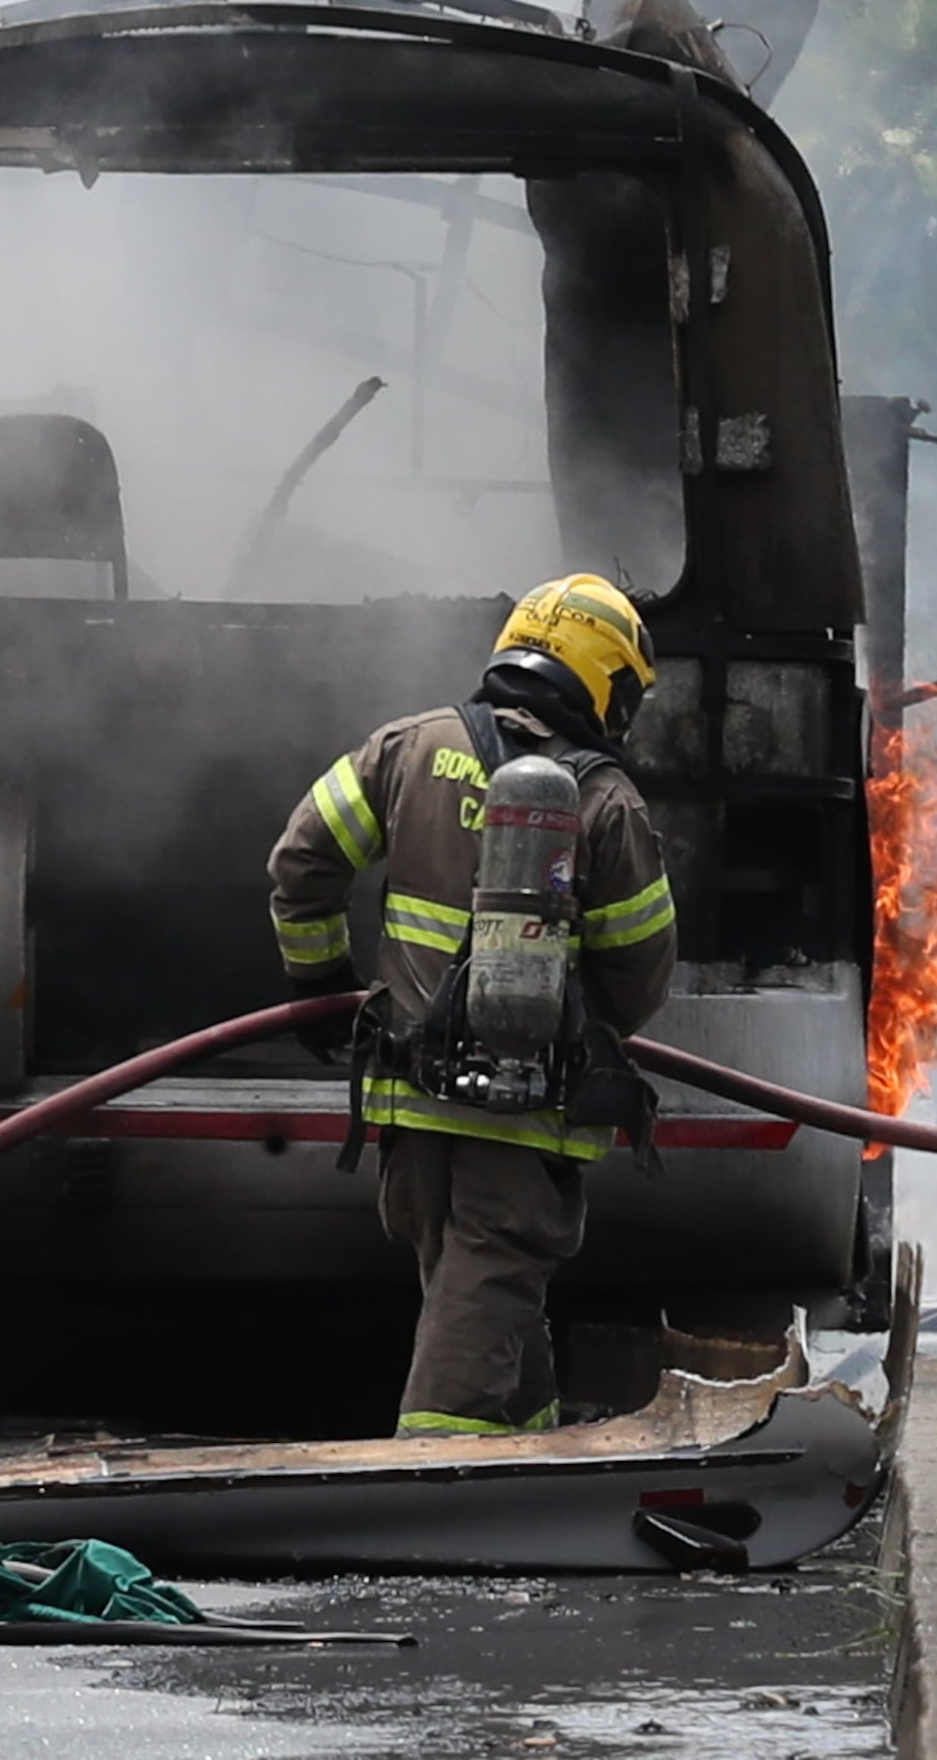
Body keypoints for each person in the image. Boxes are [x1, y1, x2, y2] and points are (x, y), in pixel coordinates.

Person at [266, 573, 675, 1437]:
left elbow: (302, 859)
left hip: (409, 1099)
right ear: (602, 678)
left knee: (481, 1290)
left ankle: (540, 1456)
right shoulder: (603, 803)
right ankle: (427, 1493)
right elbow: (639, 976)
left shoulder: (409, 748)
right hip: (521, 1117)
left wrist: (322, 985)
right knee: (485, 1292)